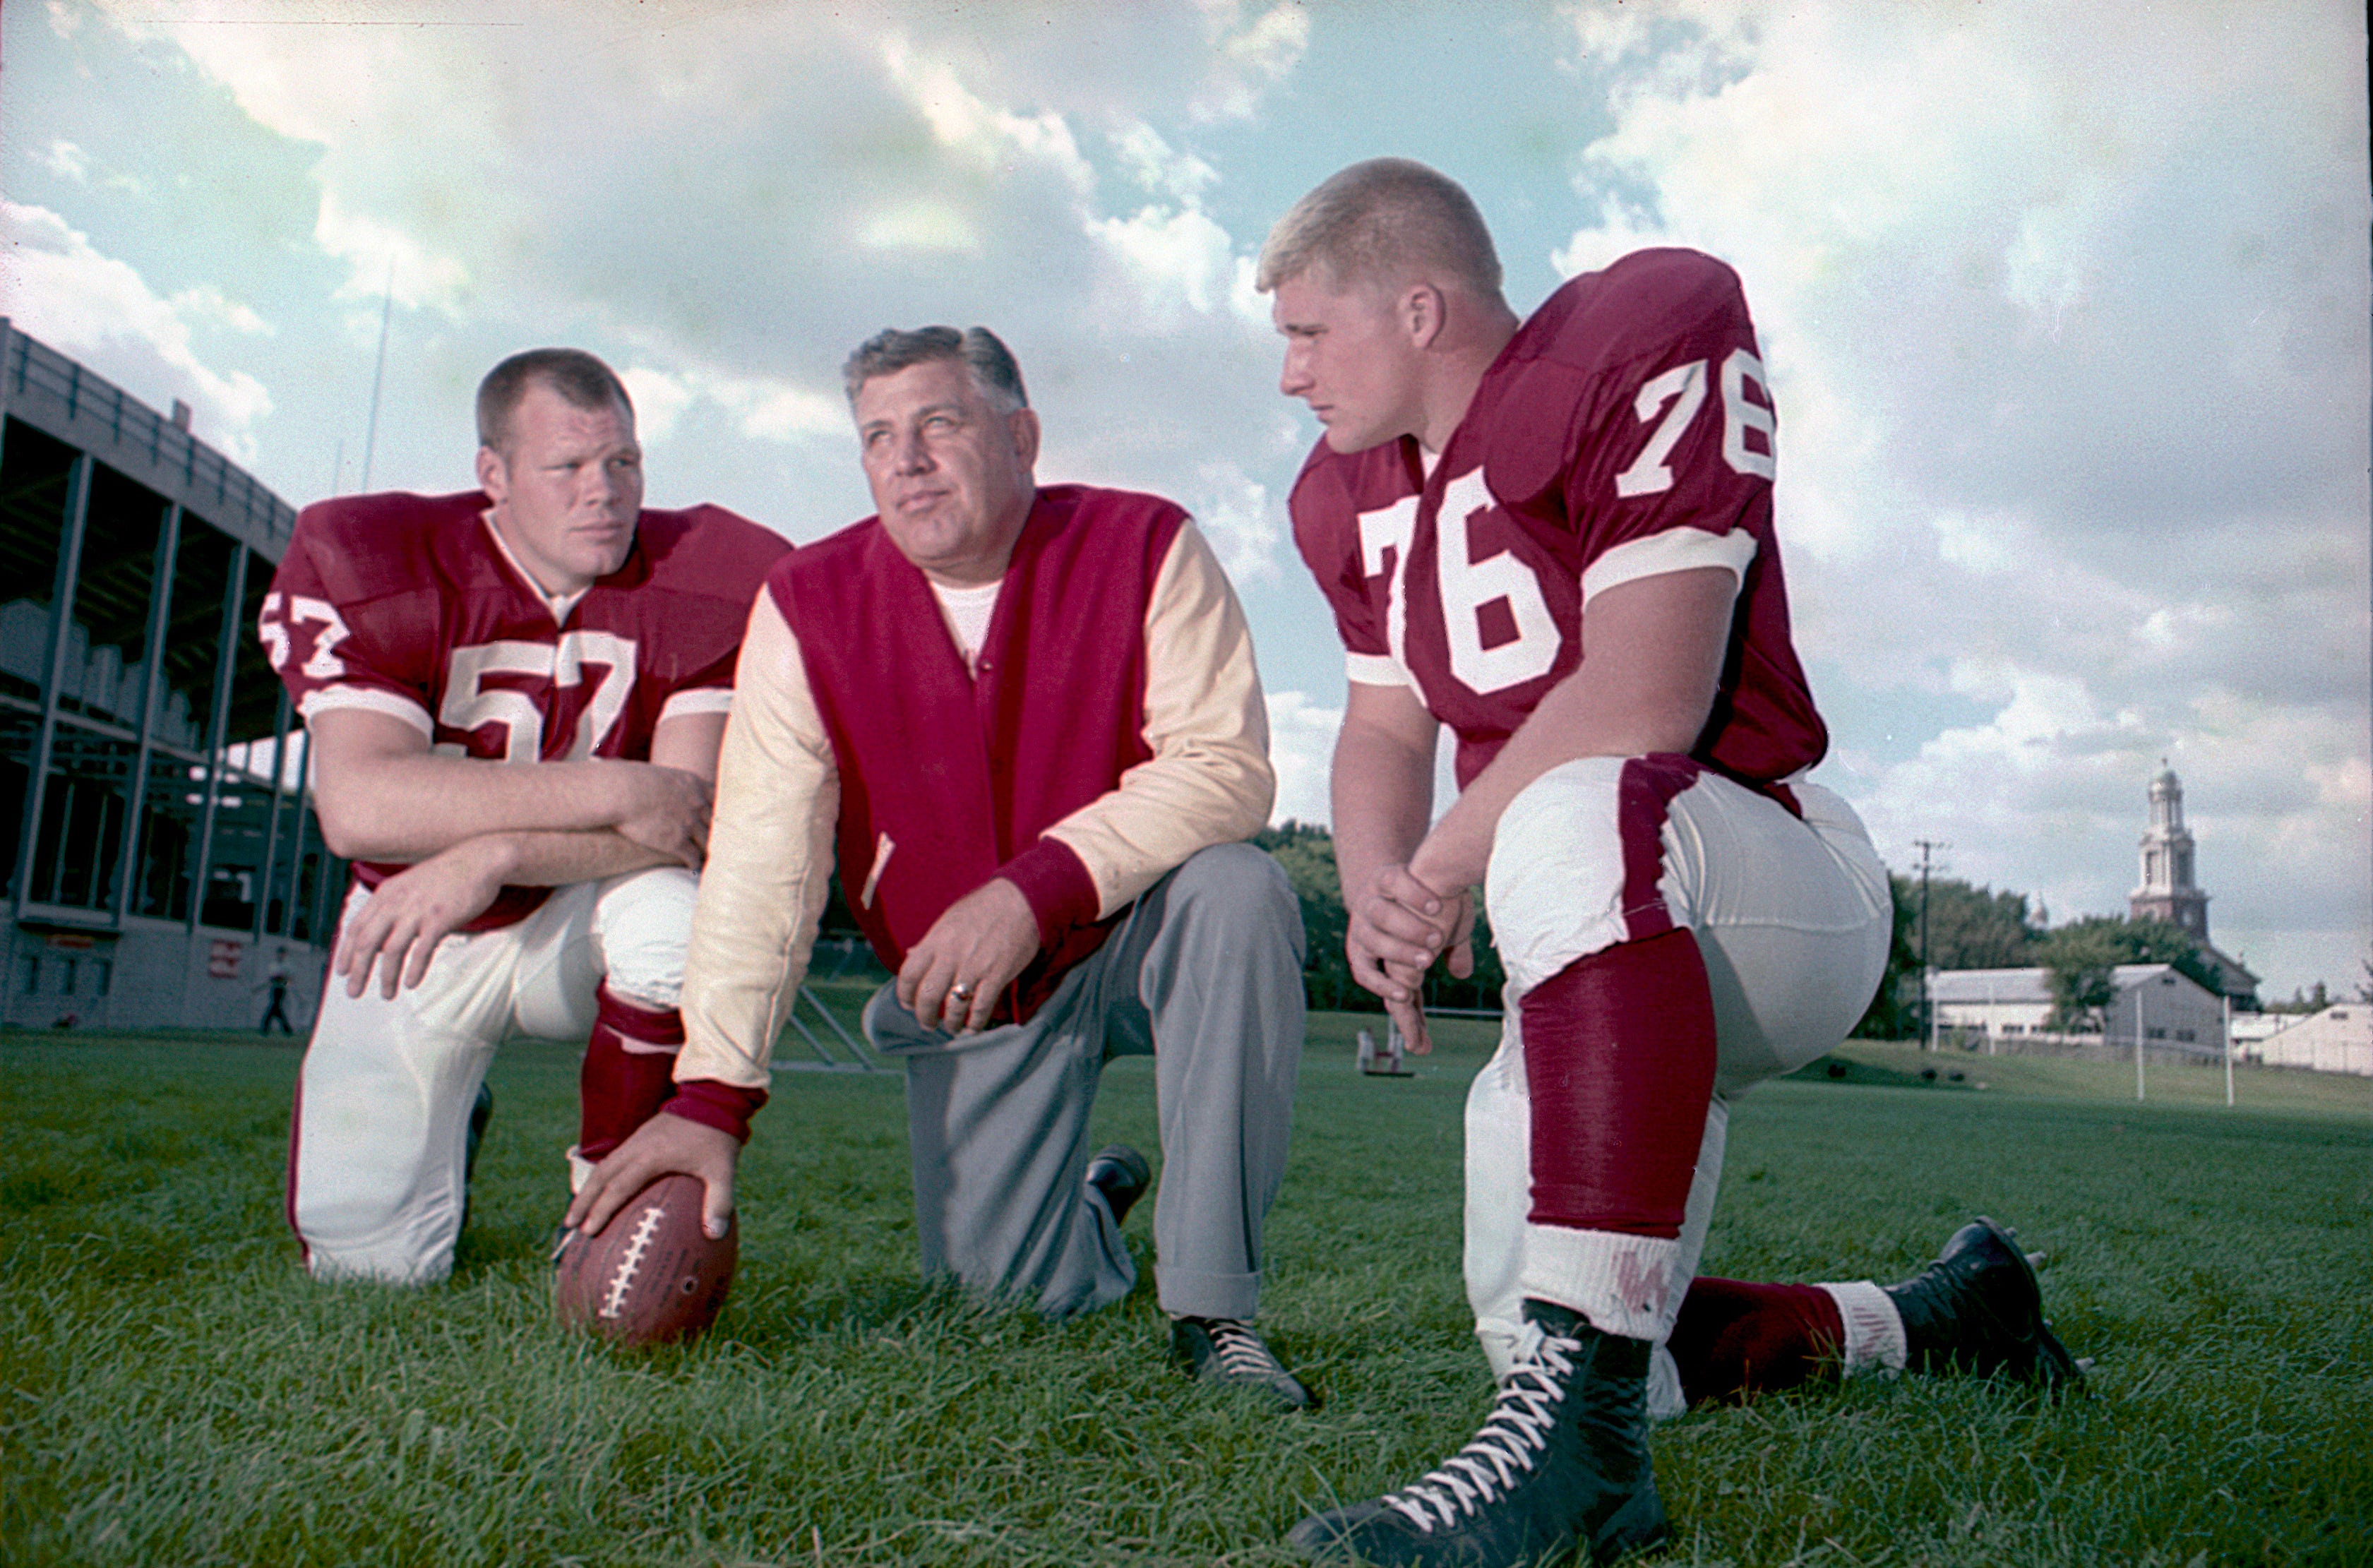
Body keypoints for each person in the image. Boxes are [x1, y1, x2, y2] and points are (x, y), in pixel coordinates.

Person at [1262, 160, 2077, 1565]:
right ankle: (1943, 1315)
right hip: (1588, 935)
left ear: (1416, 306)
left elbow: (1642, 693)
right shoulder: (1348, 496)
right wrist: (1380, 883)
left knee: (1577, 804)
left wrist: (1439, 867)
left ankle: (1582, 1486)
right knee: (1564, 1332)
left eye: (1305, 333)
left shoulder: (1635, 326)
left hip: (1759, 881)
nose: (1290, 377)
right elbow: (1382, 725)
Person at [569, 325, 1313, 1408]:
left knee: (1240, 890)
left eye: (939, 423)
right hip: (971, 991)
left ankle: (1213, 1310)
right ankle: (1095, 1205)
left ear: (1021, 436)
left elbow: (1225, 767)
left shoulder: (1147, 543)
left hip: (1138, 932)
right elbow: (761, 860)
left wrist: (1035, 884)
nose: (906, 458)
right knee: (1003, 1299)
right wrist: (713, 1093)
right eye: (878, 436)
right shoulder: (807, 601)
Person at [261, 347, 788, 1285]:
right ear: (493, 477)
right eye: (569, 468)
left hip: (582, 916)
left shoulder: (712, 575)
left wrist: (494, 848)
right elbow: (361, 807)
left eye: (624, 462)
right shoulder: (372, 556)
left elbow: (689, 822)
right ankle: (448, 1124)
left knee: (678, 917)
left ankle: (609, 1198)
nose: (606, 493)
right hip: (419, 926)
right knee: (366, 1269)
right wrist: (616, 788)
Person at [257, 947, 294, 1035]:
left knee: (274, 1008)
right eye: (280, 953)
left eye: (283, 953)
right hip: (274, 988)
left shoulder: (287, 965)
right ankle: (287, 1029)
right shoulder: (274, 965)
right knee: (276, 1009)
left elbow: (289, 980)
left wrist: (284, 983)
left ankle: (265, 1028)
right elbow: (272, 977)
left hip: (281, 989)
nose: (281, 955)